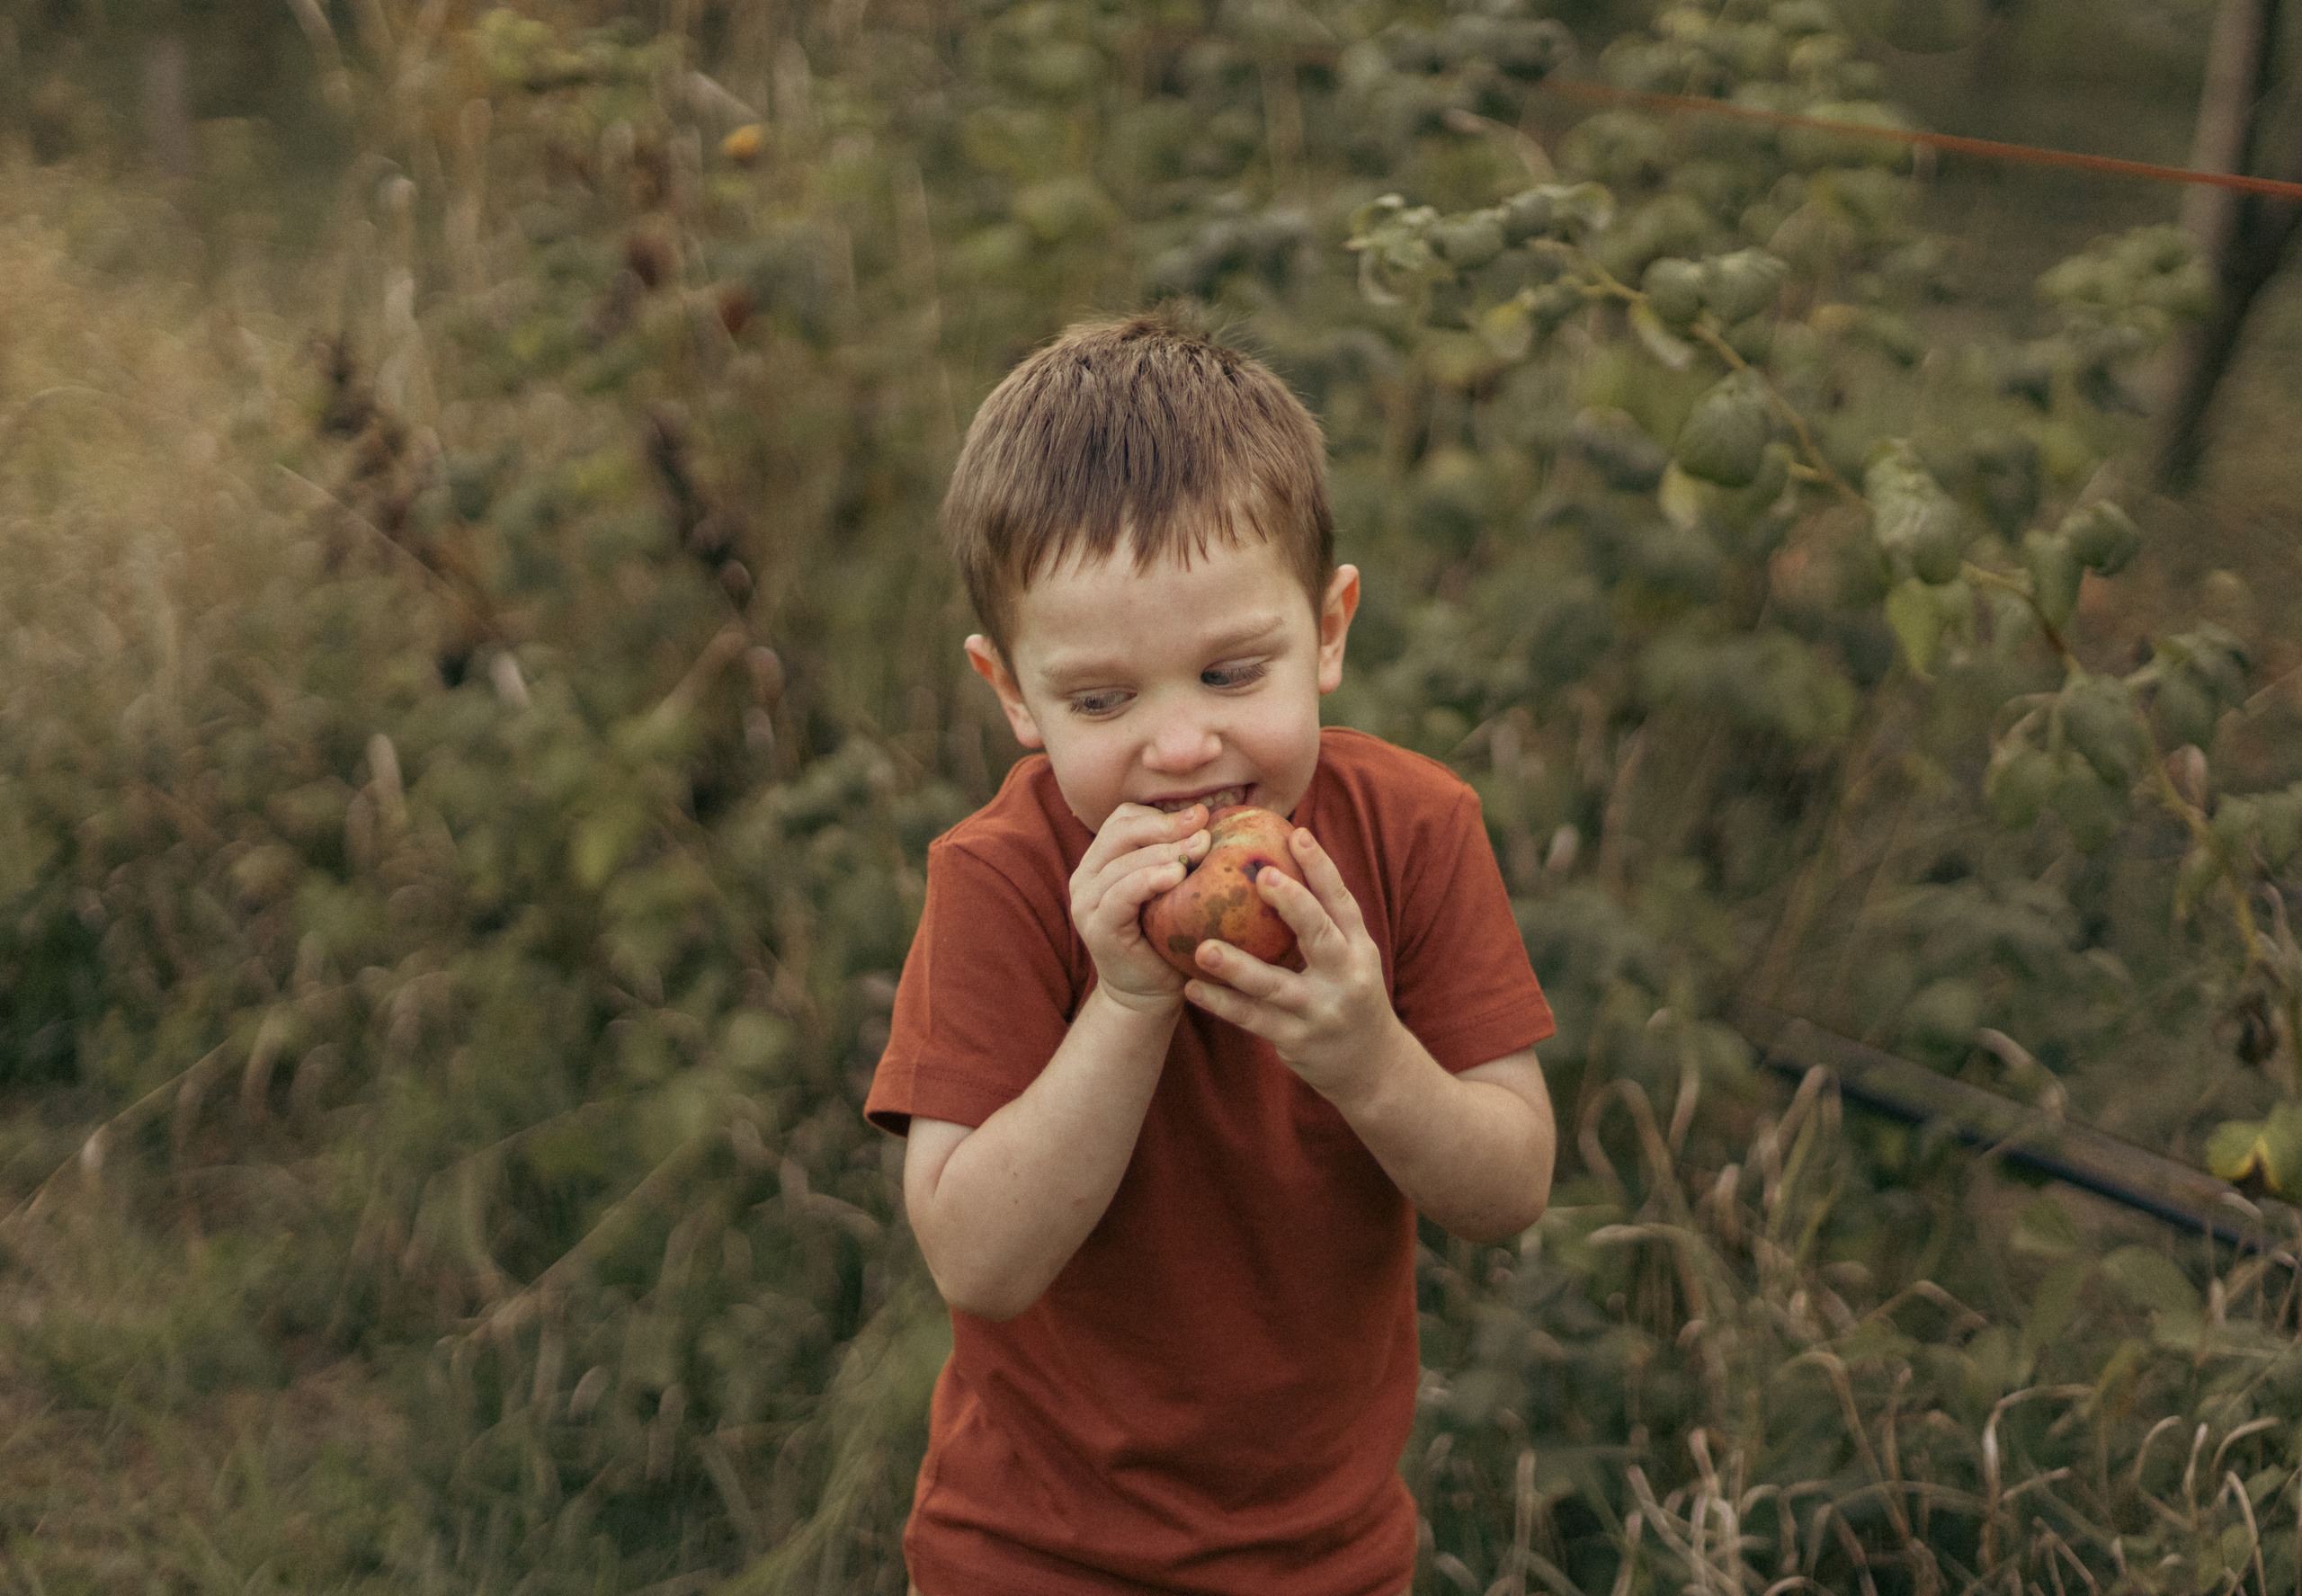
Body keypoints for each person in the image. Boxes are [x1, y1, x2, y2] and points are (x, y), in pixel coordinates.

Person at [864, 308, 1557, 1596]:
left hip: (1330, 1557)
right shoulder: (1003, 880)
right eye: (1102, 700)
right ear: (1011, 692)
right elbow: (979, 1261)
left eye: (1234, 673)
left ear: (1331, 629)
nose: (1181, 748)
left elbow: (1509, 1185)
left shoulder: (1413, 835)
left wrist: (1368, 1058)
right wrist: (1127, 1001)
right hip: (1030, 1556)